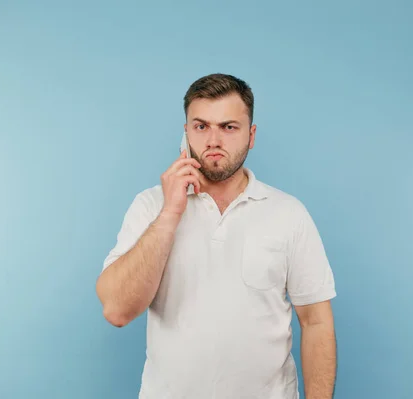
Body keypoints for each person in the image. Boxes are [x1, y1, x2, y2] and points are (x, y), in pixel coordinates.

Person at [96, 73, 337, 399]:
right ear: (186, 134)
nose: (213, 140)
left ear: (251, 136)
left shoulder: (288, 213)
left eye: (228, 127)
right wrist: (170, 214)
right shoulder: (151, 205)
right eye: (201, 126)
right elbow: (117, 310)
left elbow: (316, 322)